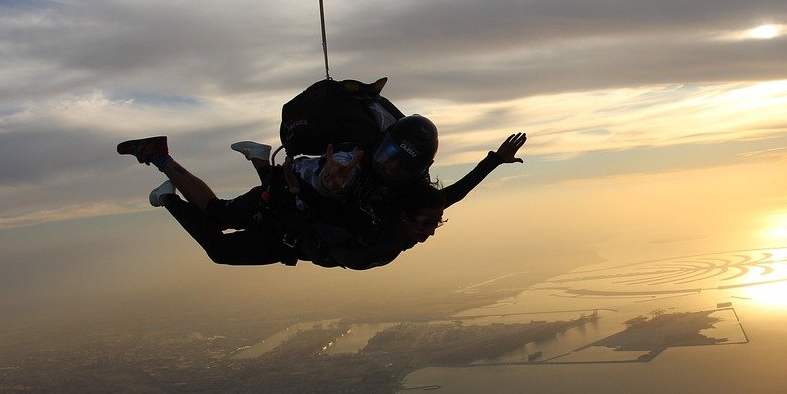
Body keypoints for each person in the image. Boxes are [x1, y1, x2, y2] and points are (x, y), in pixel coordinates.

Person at [116, 132, 526, 268]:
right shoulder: (378, 226)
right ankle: (165, 183)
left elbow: (454, 194)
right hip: (289, 221)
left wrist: (494, 161)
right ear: (407, 215)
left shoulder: (406, 209)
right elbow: (335, 213)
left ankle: (260, 162)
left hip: (293, 218)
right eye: (428, 223)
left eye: (434, 223)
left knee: (221, 216)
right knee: (218, 237)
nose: (430, 231)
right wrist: (310, 189)